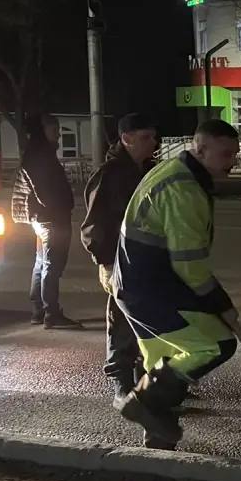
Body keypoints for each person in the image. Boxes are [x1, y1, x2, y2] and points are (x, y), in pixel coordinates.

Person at [112, 119, 241, 449]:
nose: (233, 161)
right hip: (152, 289)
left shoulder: (177, 171)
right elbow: (190, 265)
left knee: (164, 363)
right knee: (216, 345)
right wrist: (222, 304)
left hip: (137, 285)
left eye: (235, 154)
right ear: (200, 149)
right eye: (226, 154)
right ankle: (142, 403)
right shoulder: (184, 189)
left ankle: (158, 441)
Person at [80, 112, 158, 404]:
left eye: (153, 136)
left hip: (148, 258)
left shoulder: (150, 171)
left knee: (149, 318)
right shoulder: (109, 174)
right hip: (118, 259)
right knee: (122, 320)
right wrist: (106, 261)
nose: (154, 142)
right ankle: (122, 381)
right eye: (145, 137)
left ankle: (149, 379)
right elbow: (92, 224)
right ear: (126, 139)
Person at [10, 113, 82, 330]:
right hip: (50, 218)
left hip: (42, 218)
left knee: (42, 263)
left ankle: (39, 310)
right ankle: (51, 312)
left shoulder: (37, 152)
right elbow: (45, 191)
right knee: (52, 264)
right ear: (43, 131)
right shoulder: (41, 155)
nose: (58, 134)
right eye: (54, 130)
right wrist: (59, 209)